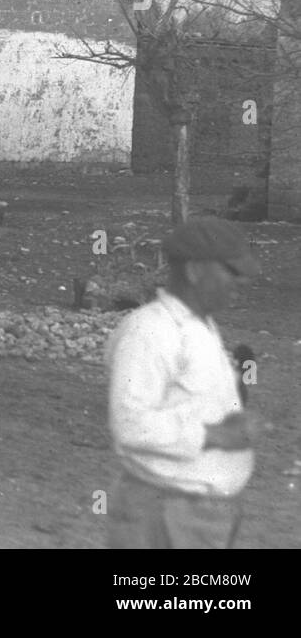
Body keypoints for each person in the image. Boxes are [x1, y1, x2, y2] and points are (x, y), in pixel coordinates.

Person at [104, 217, 264, 549]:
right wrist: (217, 435)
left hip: (197, 516)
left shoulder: (199, 328)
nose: (240, 284)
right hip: (164, 515)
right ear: (193, 271)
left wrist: (233, 422)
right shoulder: (149, 331)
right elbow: (131, 424)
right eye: (231, 273)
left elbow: (190, 405)